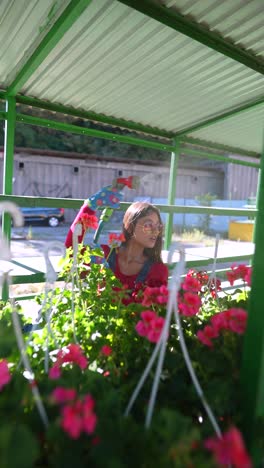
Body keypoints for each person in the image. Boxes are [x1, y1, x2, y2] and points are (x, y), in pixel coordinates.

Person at [65, 186, 168, 294]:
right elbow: (71, 252)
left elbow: (153, 308)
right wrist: (90, 207)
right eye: (148, 225)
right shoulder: (104, 255)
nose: (155, 231)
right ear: (131, 227)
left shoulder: (158, 271)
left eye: (158, 227)